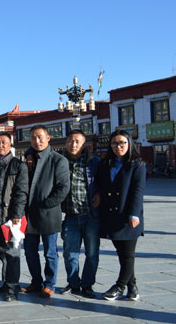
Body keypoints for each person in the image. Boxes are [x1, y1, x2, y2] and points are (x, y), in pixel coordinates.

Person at [96, 130, 146, 301]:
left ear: (129, 143)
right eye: (115, 143)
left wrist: (134, 214)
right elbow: (100, 184)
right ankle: (132, 287)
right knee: (122, 253)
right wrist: (98, 194)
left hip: (129, 216)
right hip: (111, 215)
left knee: (128, 254)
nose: (119, 146)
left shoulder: (137, 164)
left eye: (122, 143)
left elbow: (137, 191)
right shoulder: (105, 164)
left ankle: (119, 286)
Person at [21, 125, 70, 298]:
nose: (37, 141)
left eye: (40, 137)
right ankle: (36, 281)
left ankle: (50, 284)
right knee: (29, 251)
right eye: (33, 138)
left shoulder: (58, 160)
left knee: (50, 252)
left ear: (48, 138)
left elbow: (63, 187)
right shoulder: (28, 158)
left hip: (48, 214)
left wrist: (47, 203)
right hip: (30, 215)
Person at [0, 132, 28, 302]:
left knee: (12, 252)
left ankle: (11, 288)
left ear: (10, 145)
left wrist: (17, 215)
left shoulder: (18, 165)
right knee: (1, 251)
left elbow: (21, 192)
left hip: (11, 216)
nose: (0, 145)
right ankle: (7, 282)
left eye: (4, 142)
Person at [60, 129, 101, 298]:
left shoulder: (95, 162)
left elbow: (104, 182)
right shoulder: (60, 161)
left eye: (77, 141)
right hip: (70, 216)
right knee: (70, 252)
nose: (73, 144)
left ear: (85, 144)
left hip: (91, 216)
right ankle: (73, 282)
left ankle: (87, 284)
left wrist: (100, 193)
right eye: (70, 141)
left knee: (92, 252)